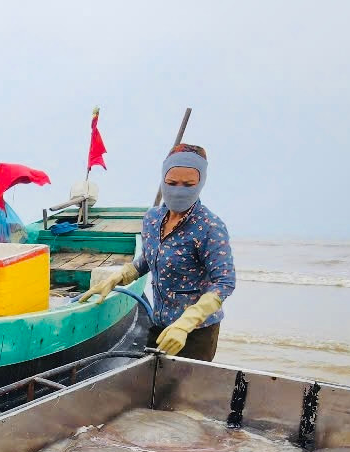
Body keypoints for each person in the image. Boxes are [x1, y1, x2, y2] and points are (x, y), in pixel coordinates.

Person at [80, 144, 235, 360]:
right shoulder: (152, 218)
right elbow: (148, 258)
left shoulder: (210, 226)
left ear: (201, 183)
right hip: (159, 323)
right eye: (171, 183)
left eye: (188, 184)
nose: (178, 190)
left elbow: (225, 282)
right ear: (163, 180)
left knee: (184, 383)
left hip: (195, 333)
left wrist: (188, 321)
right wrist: (117, 277)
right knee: (153, 377)